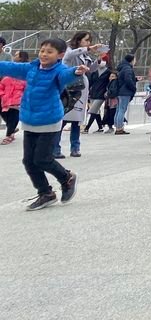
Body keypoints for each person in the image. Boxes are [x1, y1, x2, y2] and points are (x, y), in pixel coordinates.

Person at [0, 38, 89, 210]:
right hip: (30, 119)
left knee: (42, 159)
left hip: (49, 120)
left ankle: (67, 178)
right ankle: (45, 193)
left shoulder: (59, 70)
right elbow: (10, 67)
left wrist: (76, 72)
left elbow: (66, 75)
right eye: (42, 50)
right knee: (28, 161)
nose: (44, 54)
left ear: (60, 55)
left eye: (50, 52)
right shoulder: (31, 67)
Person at [56, 31, 102, 158]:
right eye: (86, 40)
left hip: (81, 87)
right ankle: (55, 148)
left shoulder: (85, 55)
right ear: (79, 40)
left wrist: (98, 60)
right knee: (63, 119)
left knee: (77, 120)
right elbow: (69, 56)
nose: (88, 43)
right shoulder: (70, 50)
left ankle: (75, 148)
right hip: (69, 87)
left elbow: (91, 69)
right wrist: (87, 49)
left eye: (89, 41)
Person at [1, 51, 30, 144]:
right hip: (6, 98)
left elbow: (28, 87)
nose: (14, 56)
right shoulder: (10, 69)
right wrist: (2, 95)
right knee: (5, 115)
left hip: (17, 100)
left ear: (22, 57)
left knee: (13, 116)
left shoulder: (26, 72)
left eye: (17, 55)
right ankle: (12, 128)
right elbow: (1, 85)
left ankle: (8, 135)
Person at [84, 54, 112, 133]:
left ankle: (87, 128)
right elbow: (90, 82)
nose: (101, 62)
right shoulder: (95, 72)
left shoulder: (108, 72)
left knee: (93, 110)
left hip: (102, 94)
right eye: (99, 60)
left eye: (103, 60)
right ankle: (100, 127)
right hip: (93, 93)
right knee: (96, 111)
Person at [114, 54, 137, 134]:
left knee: (118, 109)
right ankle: (119, 128)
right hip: (125, 91)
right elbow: (128, 79)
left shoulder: (122, 67)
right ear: (131, 60)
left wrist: (135, 79)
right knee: (122, 110)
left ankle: (117, 126)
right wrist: (133, 87)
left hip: (120, 91)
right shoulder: (127, 68)